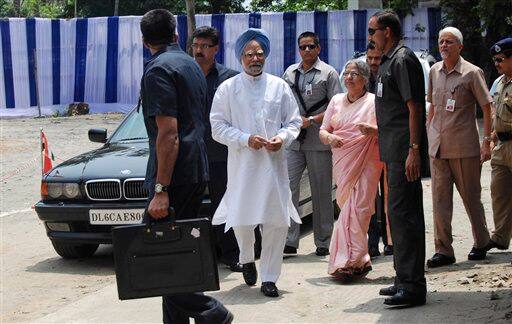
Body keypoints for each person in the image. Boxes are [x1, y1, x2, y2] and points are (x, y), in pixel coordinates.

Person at [139, 9, 233, 323]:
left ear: (144, 41)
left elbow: (168, 133)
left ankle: (211, 311)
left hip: (174, 176)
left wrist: (161, 189)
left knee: (158, 258)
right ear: (177, 35)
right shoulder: (191, 65)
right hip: (196, 169)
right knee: (178, 255)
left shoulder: (158, 70)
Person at [210, 28, 302, 297]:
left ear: (265, 56)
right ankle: (247, 257)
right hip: (243, 167)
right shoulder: (227, 88)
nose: (255, 58)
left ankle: (270, 277)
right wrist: (244, 138)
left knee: (276, 222)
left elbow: (294, 121)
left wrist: (282, 138)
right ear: (241, 58)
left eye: (259, 53)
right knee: (241, 219)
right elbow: (217, 126)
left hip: (273, 167)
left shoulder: (279, 86)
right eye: (249, 54)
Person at [368, 10, 427, 307]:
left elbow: (415, 107)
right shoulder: (389, 61)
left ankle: (414, 286)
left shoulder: (403, 60)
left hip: (405, 153)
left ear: (387, 32)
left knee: (406, 217)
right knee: (398, 217)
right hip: (392, 153)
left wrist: (414, 150)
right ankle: (403, 278)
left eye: (372, 31)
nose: (370, 37)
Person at [426, 27, 492, 268]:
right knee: (440, 200)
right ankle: (443, 250)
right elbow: (431, 106)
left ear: (460, 47)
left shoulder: (472, 73)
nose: (444, 45)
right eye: (441, 41)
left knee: (471, 199)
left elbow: (487, 107)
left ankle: (482, 241)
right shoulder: (434, 71)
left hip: (464, 147)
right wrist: (429, 134)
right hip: (439, 148)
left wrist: (487, 142)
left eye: (449, 42)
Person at [319, 60, 384, 281]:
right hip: (343, 160)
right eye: (346, 73)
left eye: (354, 74)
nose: (348, 77)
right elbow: (323, 130)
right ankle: (356, 260)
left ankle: (352, 259)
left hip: (367, 160)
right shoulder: (336, 101)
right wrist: (330, 137)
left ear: (365, 78)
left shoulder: (374, 102)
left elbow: (387, 129)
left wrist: (372, 130)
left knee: (360, 209)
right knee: (346, 208)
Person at [282, 31, 341, 256]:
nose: (306, 50)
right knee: (288, 189)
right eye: (303, 47)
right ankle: (290, 240)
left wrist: (314, 120)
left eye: (311, 46)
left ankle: (323, 242)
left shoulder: (329, 73)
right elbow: (283, 103)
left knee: (321, 192)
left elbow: (337, 107)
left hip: (318, 141)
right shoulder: (290, 72)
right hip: (294, 142)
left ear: (318, 48)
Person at [191, 26, 242, 273]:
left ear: (215, 49)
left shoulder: (229, 78)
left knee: (226, 204)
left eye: (204, 46)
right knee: (190, 205)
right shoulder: (184, 73)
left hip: (222, 155)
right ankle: (194, 255)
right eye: (196, 46)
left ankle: (233, 255)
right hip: (190, 154)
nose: (199, 51)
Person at [365, 42, 393, 258]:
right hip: (366, 149)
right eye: (370, 59)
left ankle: (391, 241)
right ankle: (372, 243)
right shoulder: (359, 80)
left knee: (390, 195)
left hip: (389, 144)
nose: (374, 63)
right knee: (370, 197)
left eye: (377, 58)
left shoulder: (391, 76)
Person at [486, 38, 512, 252]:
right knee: (499, 191)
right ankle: (501, 236)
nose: (496, 63)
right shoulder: (500, 82)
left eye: (500, 59)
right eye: (494, 60)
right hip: (501, 145)